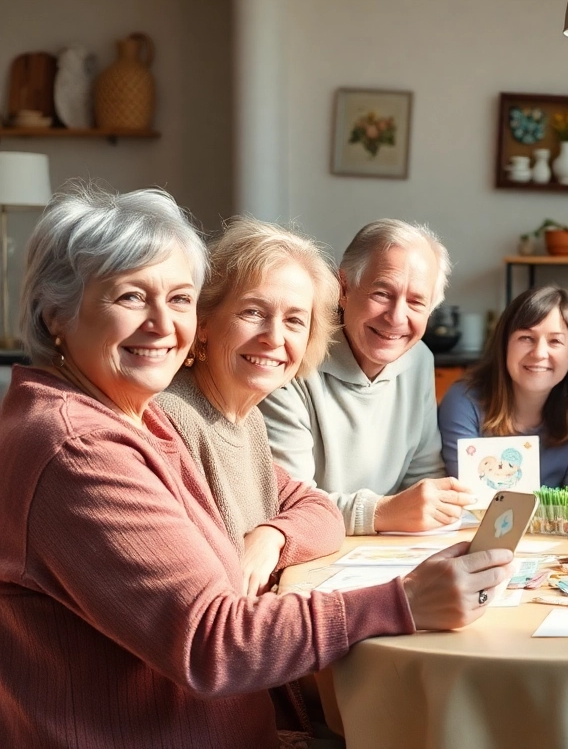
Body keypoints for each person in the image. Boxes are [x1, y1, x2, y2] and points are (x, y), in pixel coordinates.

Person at [0, 184, 512, 747]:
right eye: (129, 297)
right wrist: (405, 601)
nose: (162, 324)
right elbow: (212, 642)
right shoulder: (80, 448)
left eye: (177, 299)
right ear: (55, 312)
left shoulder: (133, 418)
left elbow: (310, 503)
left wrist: (272, 533)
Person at [157, 217, 345, 598]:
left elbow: (323, 512)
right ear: (203, 321)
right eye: (253, 312)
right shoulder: (170, 417)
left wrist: (272, 535)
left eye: (295, 320)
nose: (274, 337)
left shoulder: (246, 420)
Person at [261, 218, 473, 535]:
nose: (396, 317)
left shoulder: (418, 360)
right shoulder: (293, 357)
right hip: (305, 548)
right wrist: (382, 512)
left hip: (380, 550)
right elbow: (289, 502)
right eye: (382, 293)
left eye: (416, 301)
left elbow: (423, 476)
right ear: (343, 288)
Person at [438, 285, 568, 487]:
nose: (539, 353)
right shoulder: (463, 400)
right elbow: (469, 496)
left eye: (555, 341)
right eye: (526, 338)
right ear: (504, 346)